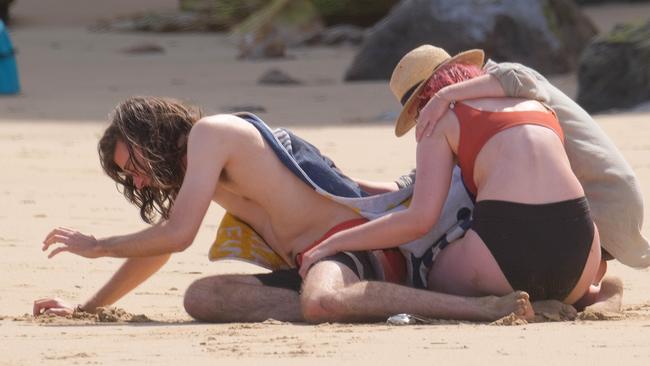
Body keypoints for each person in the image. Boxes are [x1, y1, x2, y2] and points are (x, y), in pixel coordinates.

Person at [34, 96, 533, 323]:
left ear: (152, 134)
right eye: (129, 177)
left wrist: (96, 247)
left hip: (359, 250)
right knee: (202, 298)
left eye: (134, 164)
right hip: (316, 264)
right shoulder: (199, 169)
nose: (138, 180)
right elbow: (162, 244)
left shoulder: (213, 133)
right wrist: (88, 308)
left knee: (320, 302)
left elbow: (179, 234)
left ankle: (482, 310)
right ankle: (370, 304)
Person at [299, 45, 603, 307]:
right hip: (580, 261)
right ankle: (597, 293)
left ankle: (497, 303)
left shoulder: (440, 118)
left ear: (421, 104)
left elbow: (419, 221)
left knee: (425, 273)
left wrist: (332, 244)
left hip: (508, 260)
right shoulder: (536, 103)